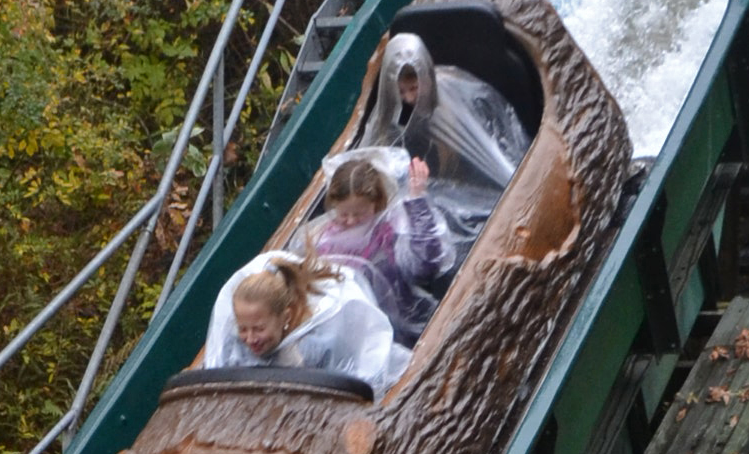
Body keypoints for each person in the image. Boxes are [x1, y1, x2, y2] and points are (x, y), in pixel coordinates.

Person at [374, 33, 531, 253]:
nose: (409, 99)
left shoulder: (457, 98)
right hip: (435, 198)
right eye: (401, 92)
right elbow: (393, 149)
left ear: (426, 79)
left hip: (478, 188)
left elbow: (493, 161)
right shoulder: (402, 115)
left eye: (414, 88)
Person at [309, 149, 459, 346]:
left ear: (377, 203)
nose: (351, 221)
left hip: (407, 331)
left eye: (360, 213)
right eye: (344, 214)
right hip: (360, 339)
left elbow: (427, 263)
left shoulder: (390, 229)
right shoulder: (324, 243)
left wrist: (417, 200)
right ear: (333, 205)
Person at [203, 246, 398, 388]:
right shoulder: (234, 348)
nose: (251, 338)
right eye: (243, 328)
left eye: (259, 329)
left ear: (285, 317)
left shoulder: (313, 350)